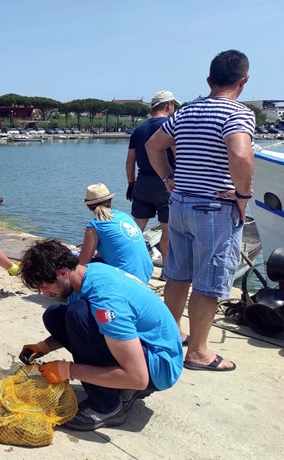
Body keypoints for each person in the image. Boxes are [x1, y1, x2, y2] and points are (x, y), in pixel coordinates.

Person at [146, 50, 255, 372]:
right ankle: (198, 352)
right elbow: (241, 154)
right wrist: (243, 195)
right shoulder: (238, 113)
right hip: (214, 207)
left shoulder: (187, 112)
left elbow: (154, 145)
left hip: (179, 202)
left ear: (209, 80)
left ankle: (169, 336)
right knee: (210, 281)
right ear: (243, 80)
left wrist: (168, 178)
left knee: (178, 273)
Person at [17, 239, 182, 431]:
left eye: (44, 286)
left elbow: (138, 377)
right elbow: (84, 330)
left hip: (158, 367)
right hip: (144, 348)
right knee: (54, 315)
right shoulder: (85, 273)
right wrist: (44, 346)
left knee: (77, 314)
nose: (44, 293)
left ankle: (107, 407)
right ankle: (121, 388)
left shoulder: (106, 300)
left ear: (62, 273)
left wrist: (68, 370)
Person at [126, 90, 177, 265]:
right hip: (166, 183)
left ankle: (131, 264)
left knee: (136, 230)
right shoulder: (171, 126)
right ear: (169, 105)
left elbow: (130, 161)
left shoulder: (139, 130)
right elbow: (178, 155)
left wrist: (131, 184)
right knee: (167, 231)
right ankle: (166, 270)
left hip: (142, 183)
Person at [78, 183, 153, 283]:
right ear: (110, 201)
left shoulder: (95, 226)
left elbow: (82, 263)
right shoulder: (124, 216)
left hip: (124, 280)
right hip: (144, 276)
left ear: (88, 207)